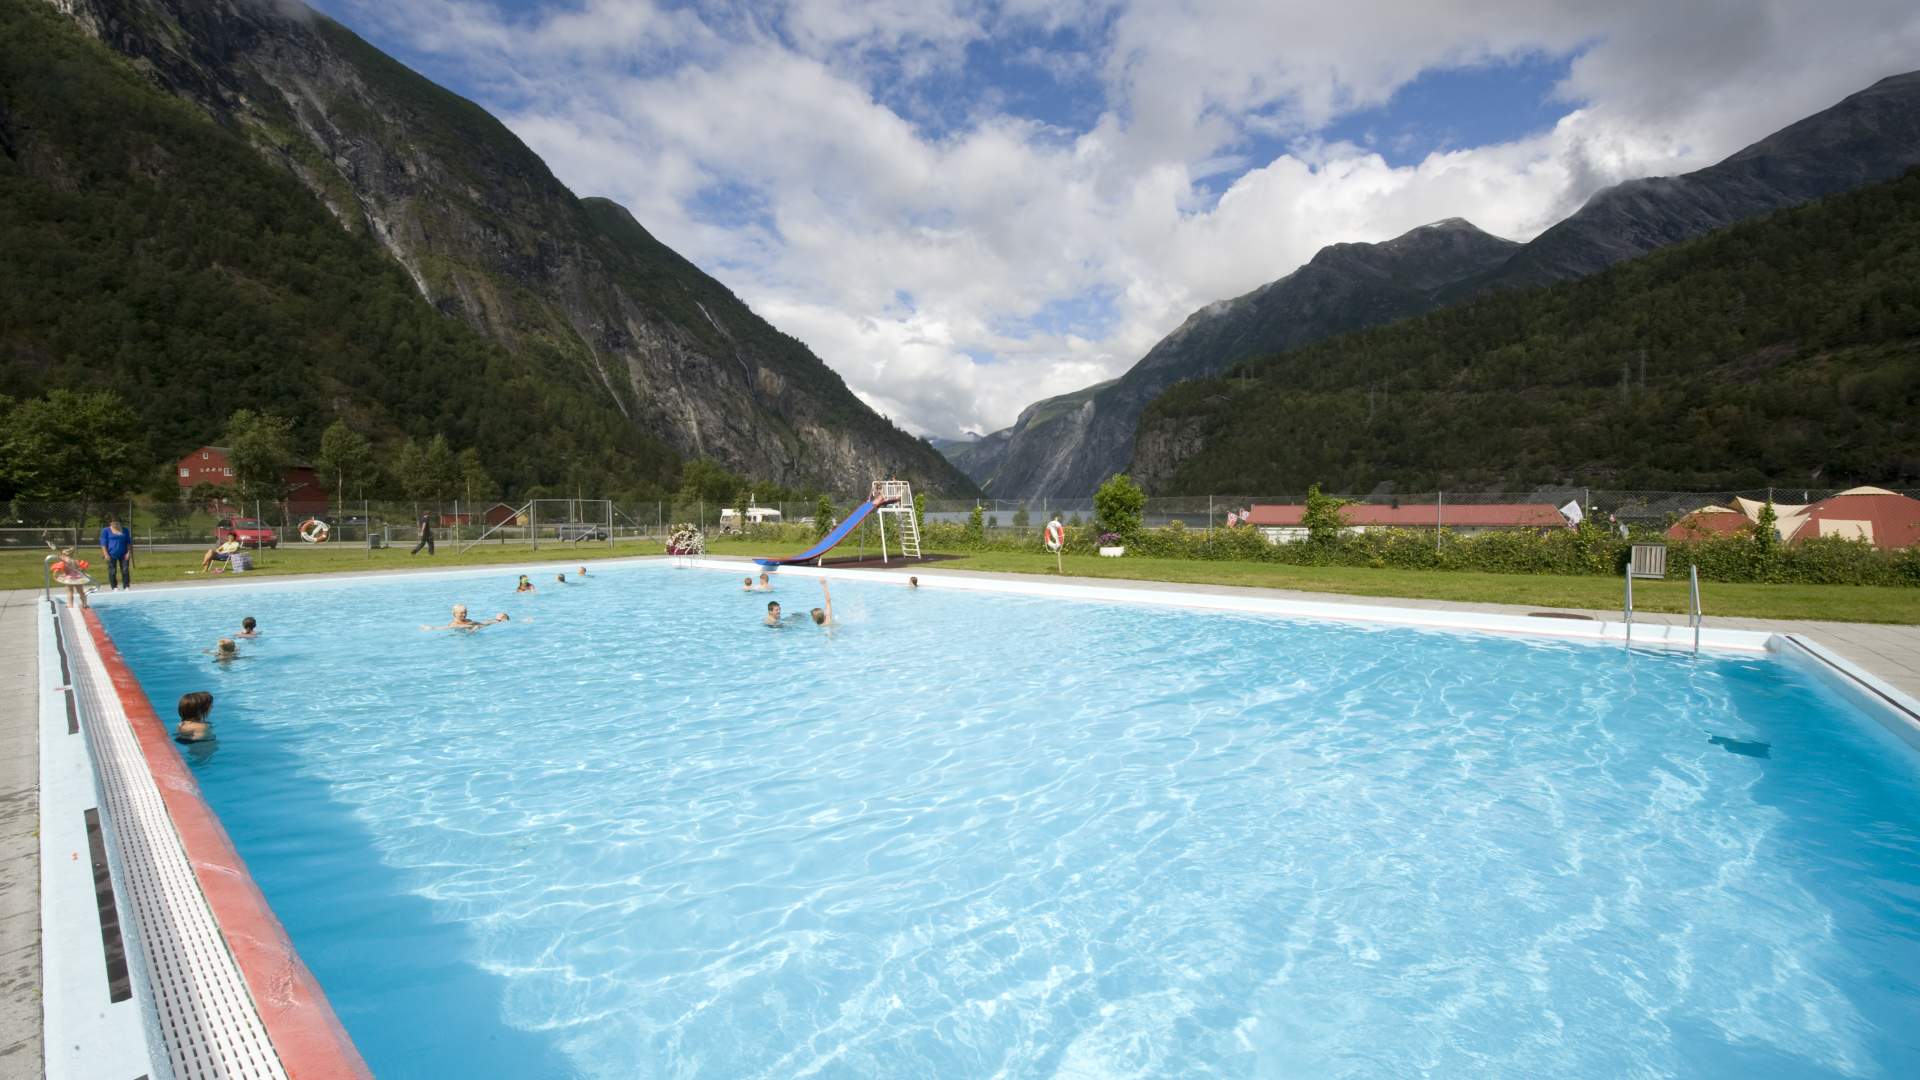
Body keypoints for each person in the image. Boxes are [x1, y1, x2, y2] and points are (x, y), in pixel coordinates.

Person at [98, 516, 133, 591]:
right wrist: (106, 554)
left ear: (120, 523)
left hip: (124, 554)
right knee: (112, 571)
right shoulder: (106, 530)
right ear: (110, 523)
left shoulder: (125, 530)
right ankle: (114, 587)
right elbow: (103, 543)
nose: (116, 525)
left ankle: (126, 586)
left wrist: (128, 552)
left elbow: (129, 543)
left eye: (117, 524)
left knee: (125, 570)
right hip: (111, 554)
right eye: (114, 524)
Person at [422, 604, 503, 631]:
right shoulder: (454, 624)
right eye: (461, 613)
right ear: (454, 613)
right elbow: (445, 627)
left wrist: (496, 621)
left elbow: (481, 623)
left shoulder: (468, 620)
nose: (464, 615)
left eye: (465, 612)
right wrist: (432, 628)